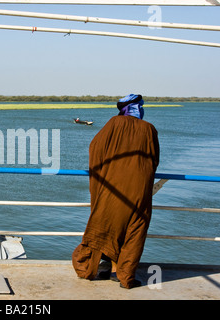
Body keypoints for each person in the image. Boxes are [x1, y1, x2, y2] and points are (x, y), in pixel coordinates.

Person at [72, 94, 160, 289]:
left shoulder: (114, 124)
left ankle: (87, 266)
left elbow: (95, 148)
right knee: (135, 230)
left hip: (113, 190)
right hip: (140, 190)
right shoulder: (149, 129)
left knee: (104, 225)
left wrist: (103, 176)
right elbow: (154, 160)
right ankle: (125, 276)